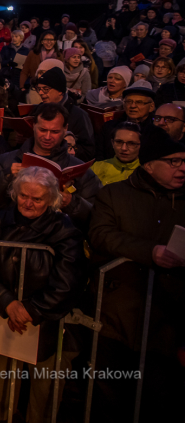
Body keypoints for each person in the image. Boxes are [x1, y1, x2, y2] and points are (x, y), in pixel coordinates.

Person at [88, 128, 185, 421]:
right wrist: (149, 251)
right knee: (111, 395)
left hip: (168, 315)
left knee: (158, 397)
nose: (182, 168)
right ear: (149, 164)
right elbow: (100, 235)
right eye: (174, 162)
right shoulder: (115, 194)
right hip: (118, 312)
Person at [0, 167, 85, 423]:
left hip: (46, 323)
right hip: (2, 317)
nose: (28, 203)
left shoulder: (64, 229)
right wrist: (8, 303)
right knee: (2, 386)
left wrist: (30, 310)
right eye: (24, 195)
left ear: (50, 199)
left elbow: (67, 280)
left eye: (37, 199)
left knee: (43, 391)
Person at [0, 103, 99, 229]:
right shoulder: (6, 161)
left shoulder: (82, 171)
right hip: (11, 233)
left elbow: (97, 215)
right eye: (43, 130)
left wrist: (72, 203)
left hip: (58, 236)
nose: (47, 137)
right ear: (33, 126)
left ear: (65, 129)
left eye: (54, 131)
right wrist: (5, 177)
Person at [91, 122, 142, 186]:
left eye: (131, 143)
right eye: (119, 142)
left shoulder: (145, 173)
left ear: (141, 145)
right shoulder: (97, 167)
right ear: (112, 143)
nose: (124, 148)